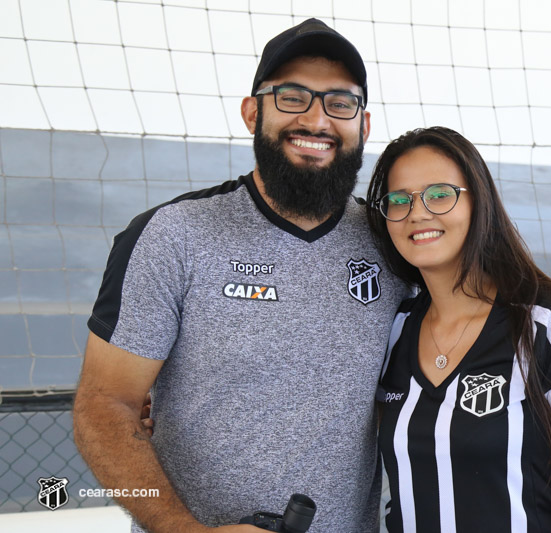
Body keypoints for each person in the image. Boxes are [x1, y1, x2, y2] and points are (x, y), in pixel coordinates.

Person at [73, 18, 409, 533]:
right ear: (253, 112)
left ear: (363, 126)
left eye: (340, 103)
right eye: (293, 96)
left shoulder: (394, 244)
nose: (318, 120)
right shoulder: (172, 236)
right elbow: (104, 406)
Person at [365, 127, 551, 532]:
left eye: (439, 194)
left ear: (479, 201)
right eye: (399, 200)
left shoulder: (545, 325)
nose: (417, 213)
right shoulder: (395, 330)